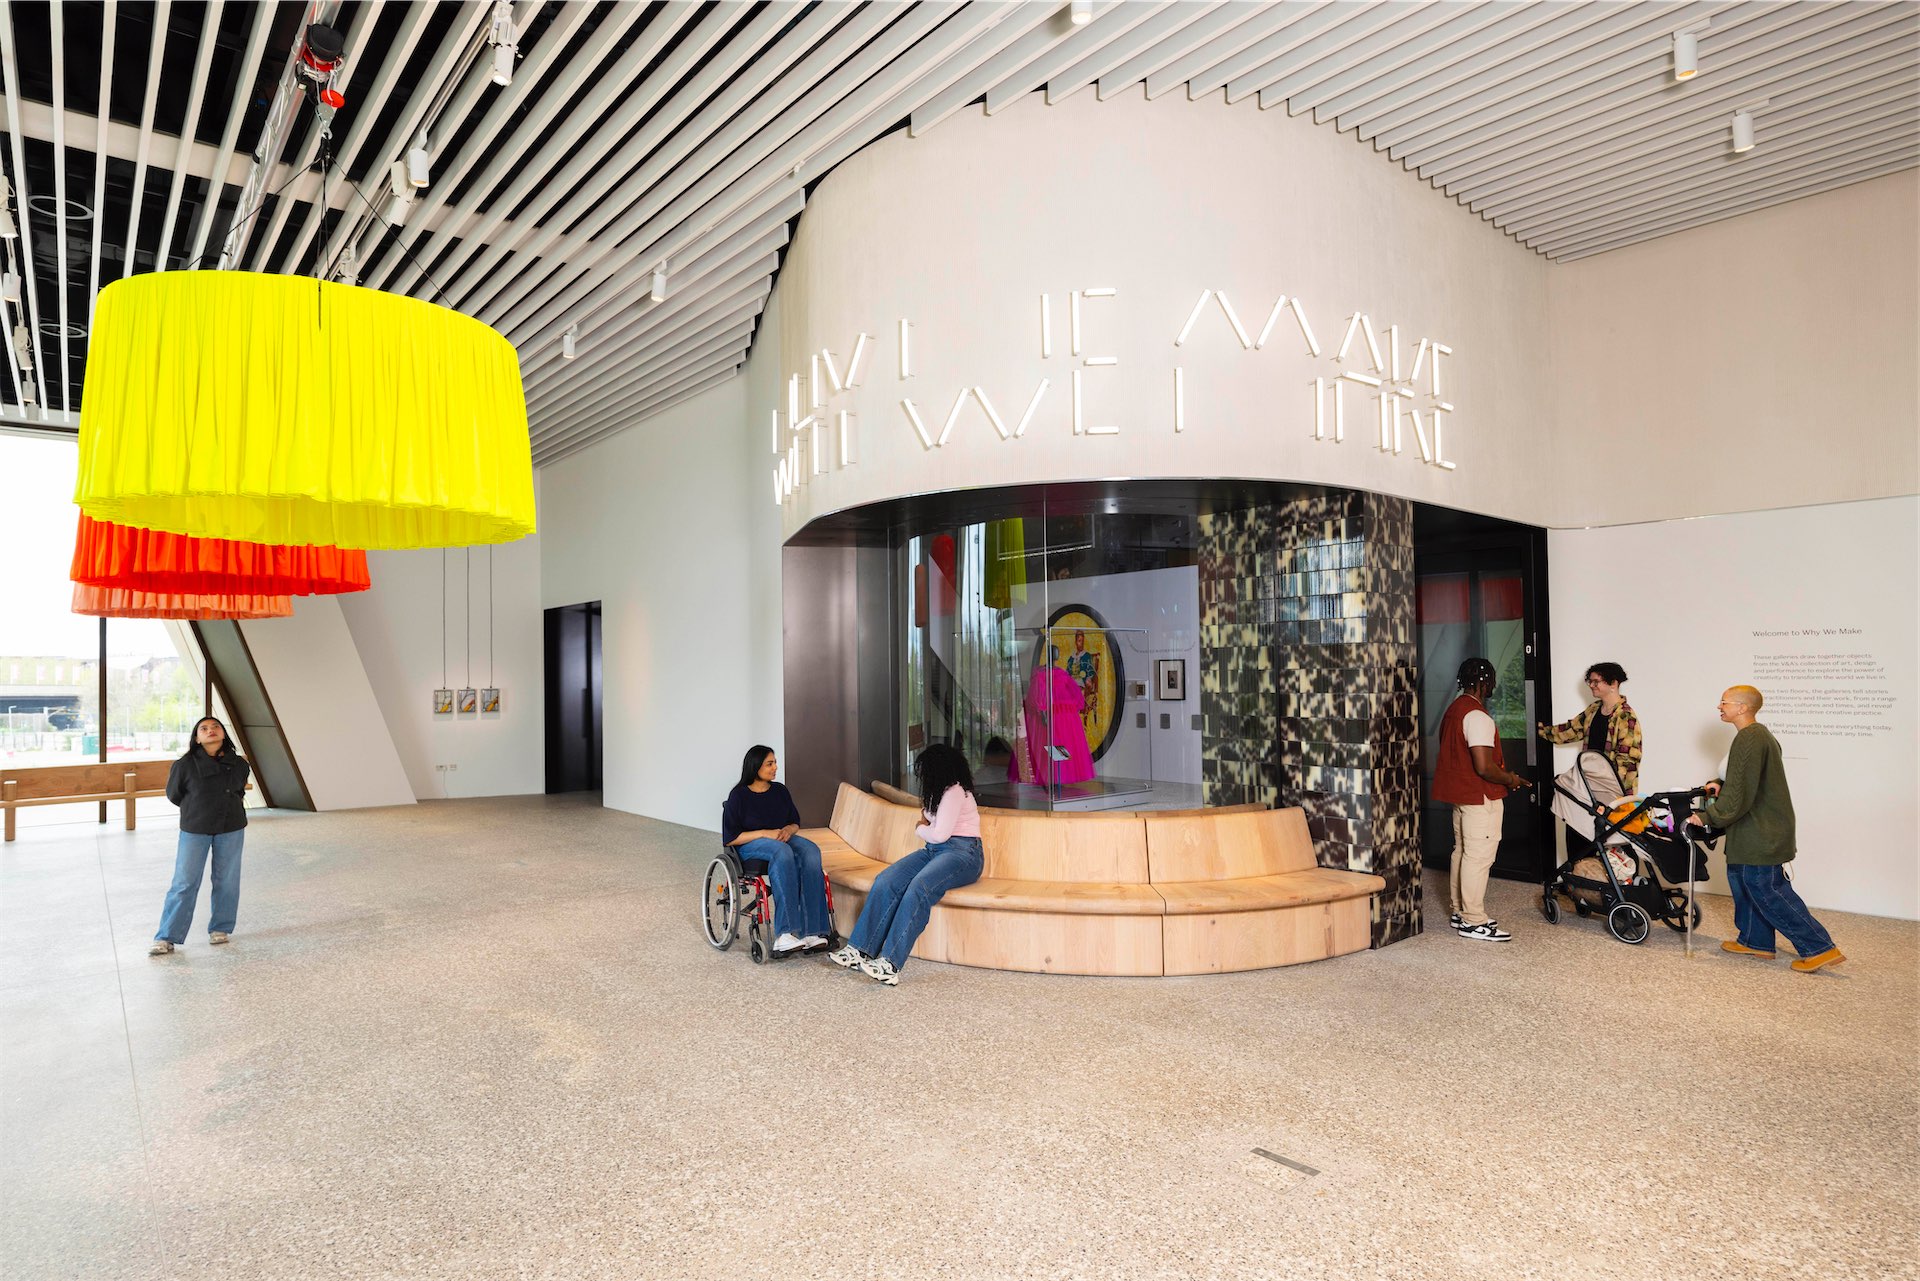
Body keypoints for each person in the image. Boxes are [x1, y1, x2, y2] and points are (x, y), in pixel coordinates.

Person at [1688, 686, 1844, 973]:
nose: (1719, 706)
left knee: (1765, 888)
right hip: (1749, 827)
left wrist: (1708, 816)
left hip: (1760, 829)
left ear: (1743, 707)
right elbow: (1741, 778)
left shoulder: (1750, 738)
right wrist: (1718, 783)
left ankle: (1819, 947)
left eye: (1724, 702)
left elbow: (1739, 794)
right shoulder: (1755, 736)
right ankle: (1755, 941)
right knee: (1742, 881)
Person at [829, 743, 983, 985]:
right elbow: (935, 832)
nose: (922, 776)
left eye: (925, 770)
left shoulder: (954, 791)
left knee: (919, 887)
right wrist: (927, 826)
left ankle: (890, 964)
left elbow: (939, 833)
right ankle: (860, 949)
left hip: (963, 854)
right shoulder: (939, 792)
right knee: (886, 880)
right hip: (935, 851)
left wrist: (920, 827)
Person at [1433, 657, 1530, 943]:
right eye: (1491, 682)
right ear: (1485, 683)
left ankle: (1459, 911)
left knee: (1462, 852)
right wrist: (1511, 779)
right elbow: (1484, 767)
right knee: (1478, 859)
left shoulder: (1453, 710)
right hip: (1480, 797)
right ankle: (1473, 921)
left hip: (1461, 796)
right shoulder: (1478, 717)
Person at [149, 716, 251, 956]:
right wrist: (197, 809)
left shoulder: (239, 764)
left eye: (215, 727)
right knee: (184, 882)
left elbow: (238, 790)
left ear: (223, 733)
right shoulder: (184, 765)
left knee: (227, 880)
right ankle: (166, 936)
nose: (210, 730)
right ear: (196, 738)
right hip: (195, 827)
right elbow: (174, 794)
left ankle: (220, 928)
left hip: (231, 825)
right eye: (204, 728)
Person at [721, 746, 830, 954]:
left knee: (811, 851)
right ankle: (784, 934)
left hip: (780, 838)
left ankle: (812, 932)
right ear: (755, 767)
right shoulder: (739, 796)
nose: (775, 767)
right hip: (749, 846)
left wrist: (789, 830)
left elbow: (795, 821)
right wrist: (764, 833)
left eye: (775, 763)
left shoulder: (780, 791)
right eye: (769, 764)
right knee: (782, 852)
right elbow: (731, 838)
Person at [1537, 662, 1644, 791]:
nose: (1591, 685)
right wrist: (1540, 730)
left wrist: (1611, 789)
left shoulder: (1626, 717)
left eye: (1596, 682)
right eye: (1590, 681)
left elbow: (1628, 761)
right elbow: (1571, 730)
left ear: (1613, 684)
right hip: (1590, 783)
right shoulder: (1594, 709)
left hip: (1613, 790)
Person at [1023, 646, 1093, 789]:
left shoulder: (1060, 674)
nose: (1057, 655)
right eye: (1055, 653)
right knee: (1050, 744)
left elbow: (1075, 694)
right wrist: (1042, 712)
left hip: (1061, 715)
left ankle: (1058, 776)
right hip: (1051, 715)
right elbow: (1036, 697)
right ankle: (1050, 777)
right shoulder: (1042, 674)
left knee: (1058, 745)